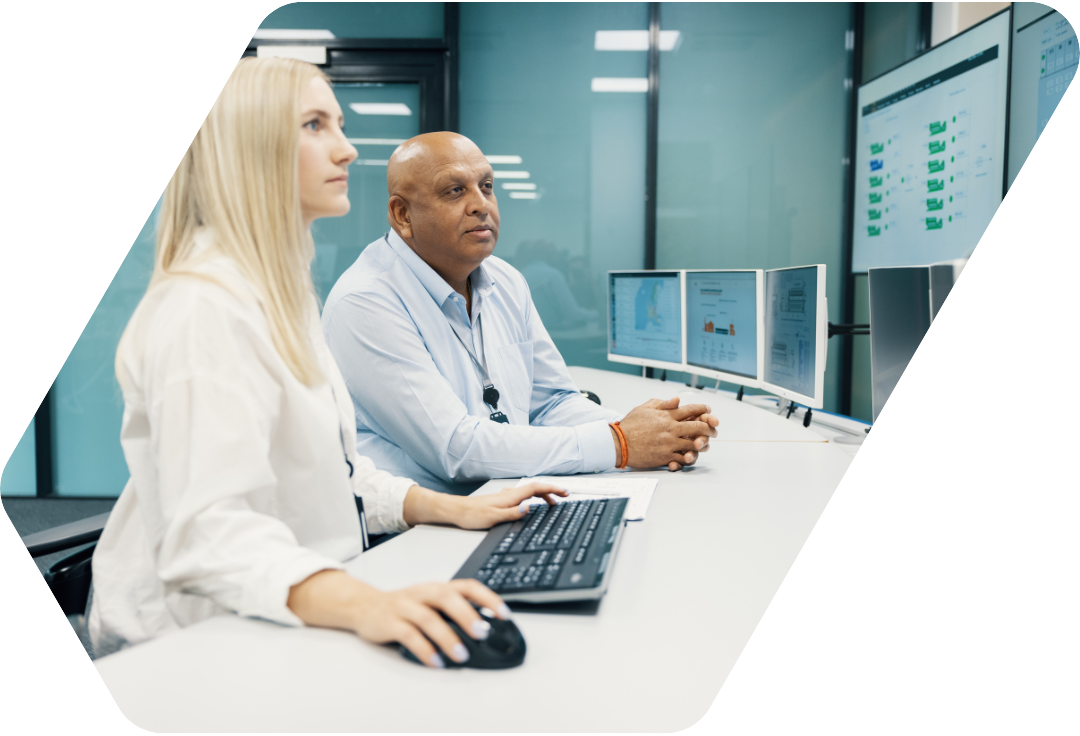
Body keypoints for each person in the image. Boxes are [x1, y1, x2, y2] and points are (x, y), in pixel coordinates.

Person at [88, 58, 566, 667]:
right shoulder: (204, 309)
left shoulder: (278, 292)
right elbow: (209, 534)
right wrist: (369, 605)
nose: (347, 150)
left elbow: (335, 471)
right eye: (315, 125)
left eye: (338, 124)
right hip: (191, 644)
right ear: (249, 149)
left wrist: (453, 507)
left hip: (289, 601)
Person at [322, 132, 719, 496]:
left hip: (508, 497)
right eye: (455, 190)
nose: (481, 205)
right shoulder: (366, 301)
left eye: (486, 186)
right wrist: (620, 442)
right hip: (420, 530)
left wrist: (656, 432)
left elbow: (552, 402)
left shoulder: (506, 281)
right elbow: (455, 448)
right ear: (403, 215)